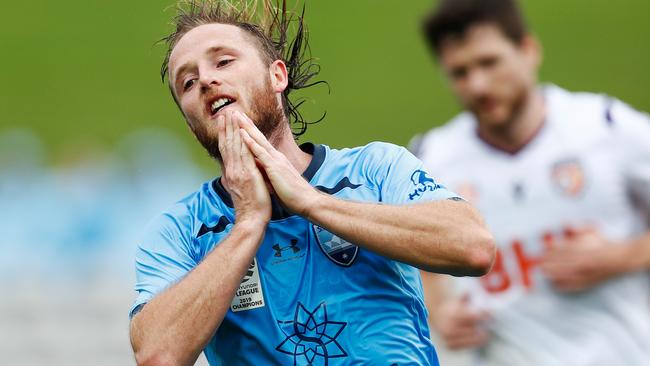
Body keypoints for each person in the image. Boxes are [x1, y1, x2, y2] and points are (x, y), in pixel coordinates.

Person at [128, 1, 495, 365]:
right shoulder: (180, 230)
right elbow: (159, 355)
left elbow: (473, 247)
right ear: (191, 122)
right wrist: (248, 225)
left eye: (223, 62)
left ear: (277, 76)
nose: (206, 80)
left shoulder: (375, 169)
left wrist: (311, 202)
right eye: (188, 82)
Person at [411, 0, 650, 365]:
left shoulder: (605, 126)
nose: (477, 84)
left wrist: (618, 256)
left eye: (489, 63)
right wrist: (438, 312)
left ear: (528, 50)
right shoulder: (431, 159)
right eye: (460, 72)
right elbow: (415, 260)